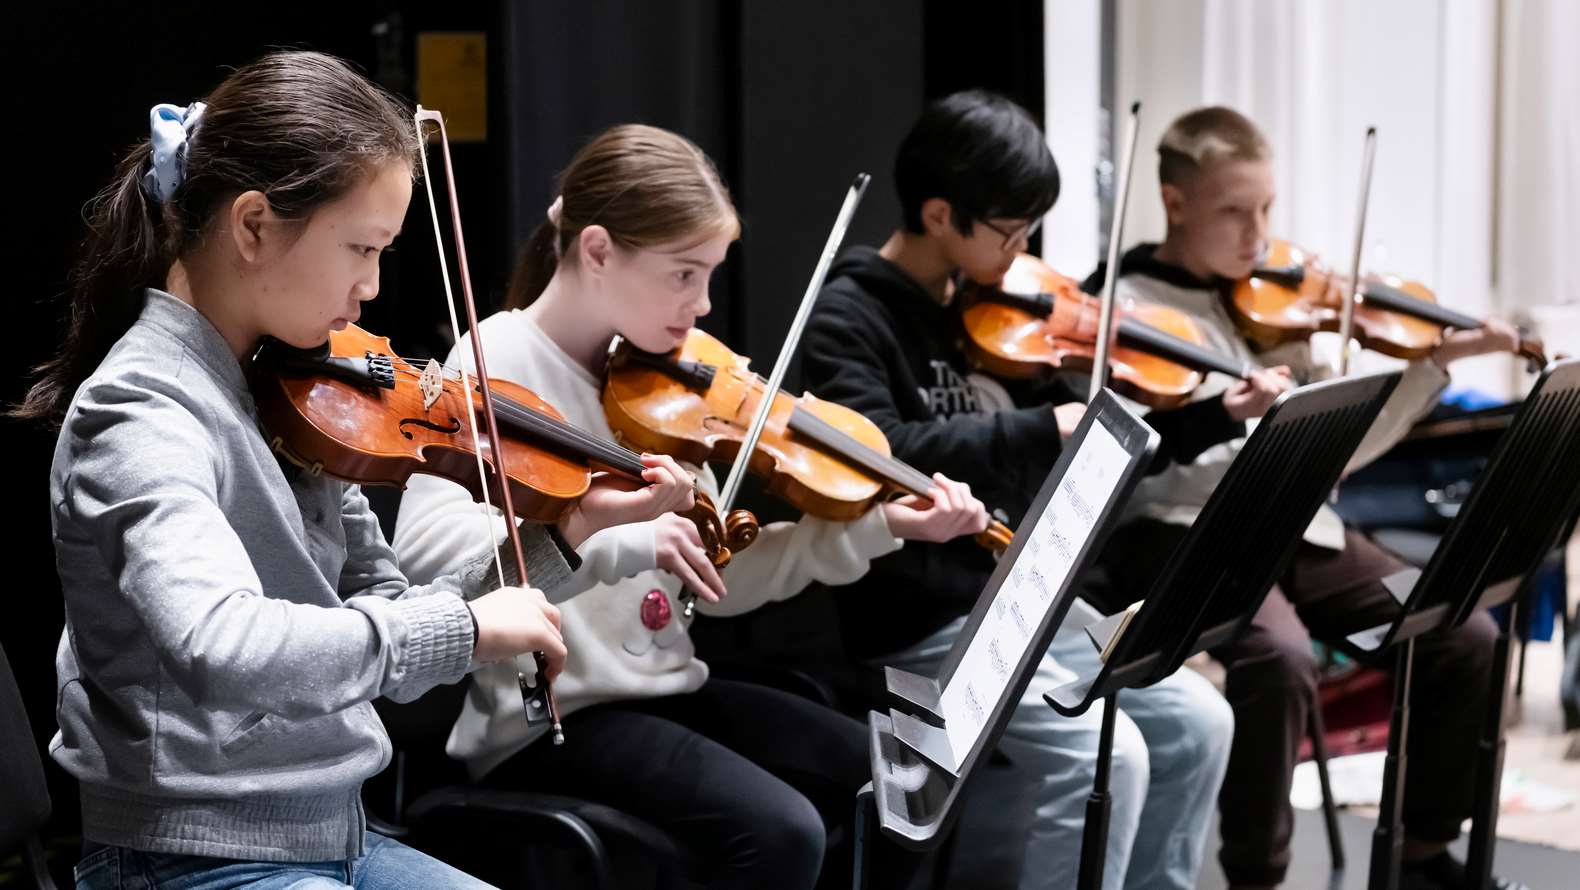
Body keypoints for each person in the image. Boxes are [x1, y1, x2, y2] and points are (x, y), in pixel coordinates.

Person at [16, 50, 683, 890]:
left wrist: (569, 530)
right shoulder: (143, 411)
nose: (370, 289)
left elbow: (391, 616)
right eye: (361, 248)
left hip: (336, 835)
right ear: (254, 226)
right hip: (188, 859)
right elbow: (221, 644)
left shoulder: (289, 391)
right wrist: (468, 632)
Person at [392, 123, 990, 890]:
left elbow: (720, 575)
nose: (702, 305)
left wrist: (882, 526)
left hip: (668, 692)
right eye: (684, 274)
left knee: (912, 780)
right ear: (599, 250)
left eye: (710, 275)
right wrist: (616, 541)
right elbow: (430, 563)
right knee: (781, 832)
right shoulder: (496, 362)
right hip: (552, 718)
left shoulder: (657, 389)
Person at [802, 89, 1245, 890]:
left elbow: (1083, 446)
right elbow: (880, 454)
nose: (1026, 249)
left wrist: (1210, 418)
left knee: (1199, 724)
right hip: (923, 618)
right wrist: (1039, 428)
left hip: (1019, 597)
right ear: (941, 216)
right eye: (1011, 231)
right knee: (1108, 758)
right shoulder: (849, 318)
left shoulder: (989, 310)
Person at [1088, 105, 1524, 890]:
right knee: (1279, 659)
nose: (1257, 233)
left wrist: (1425, 364)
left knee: (1465, 633)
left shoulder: (1275, 305)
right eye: (1233, 210)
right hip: (1188, 532)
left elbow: (1341, 453)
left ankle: (1422, 857)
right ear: (1174, 201)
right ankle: (1257, 875)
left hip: (1303, 529)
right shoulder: (1121, 308)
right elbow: (1146, 462)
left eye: (1266, 210)